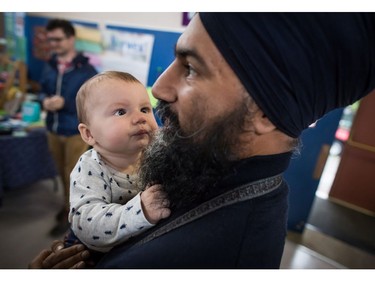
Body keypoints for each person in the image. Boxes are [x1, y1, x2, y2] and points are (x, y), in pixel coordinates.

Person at [29, 12, 375, 269]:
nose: (159, 89)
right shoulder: (200, 160)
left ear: (266, 112)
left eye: (191, 68)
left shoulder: (215, 255)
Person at [66, 71, 170, 254]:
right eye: (121, 112)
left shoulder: (154, 151)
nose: (140, 118)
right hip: (97, 254)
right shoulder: (91, 167)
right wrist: (141, 211)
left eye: (145, 109)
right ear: (89, 134)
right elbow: (86, 224)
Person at [38, 18, 98, 236]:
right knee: (62, 173)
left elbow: (92, 104)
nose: (53, 43)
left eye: (58, 39)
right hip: (53, 129)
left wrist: (67, 103)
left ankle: (73, 215)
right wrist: (44, 100)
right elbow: (41, 90)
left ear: (71, 39)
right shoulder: (49, 65)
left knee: (74, 176)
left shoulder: (87, 70)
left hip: (74, 131)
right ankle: (67, 207)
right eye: (50, 39)